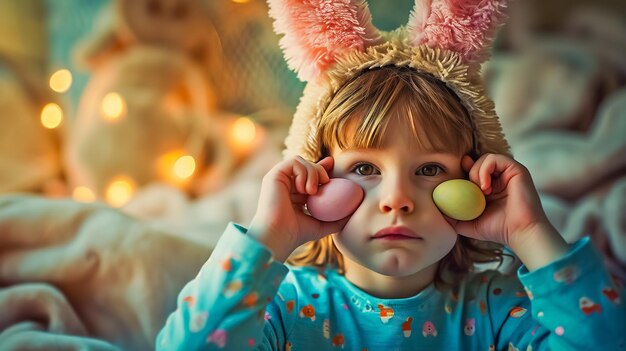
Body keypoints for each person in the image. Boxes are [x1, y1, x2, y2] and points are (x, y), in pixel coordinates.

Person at [157, 0, 625, 350]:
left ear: (478, 185)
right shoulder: (283, 307)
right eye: (364, 168)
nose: (397, 198)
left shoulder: (497, 310)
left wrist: (529, 232)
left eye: (429, 169)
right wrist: (269, 237)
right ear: (313, 181)